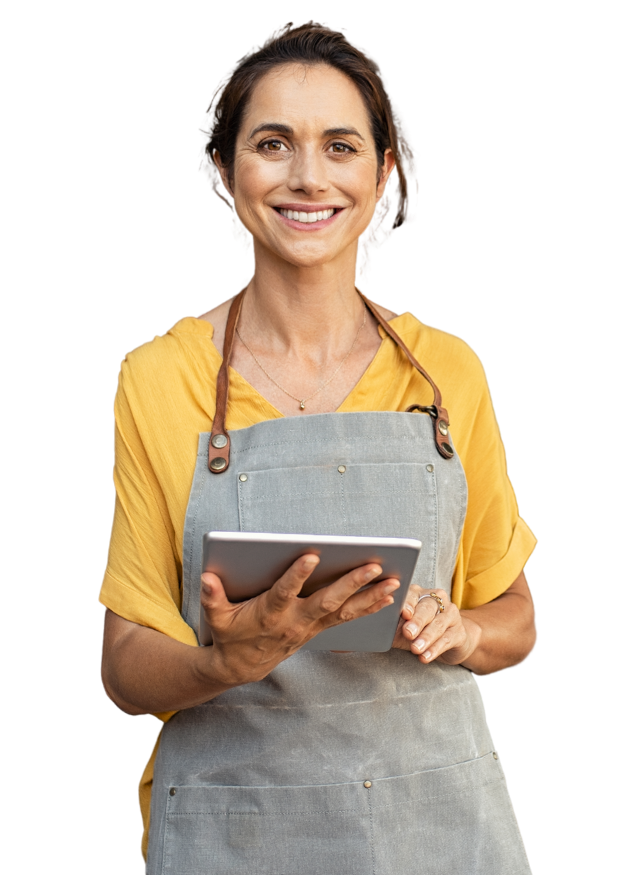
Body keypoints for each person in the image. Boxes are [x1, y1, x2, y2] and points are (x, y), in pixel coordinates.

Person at [99, 21, 538, 874]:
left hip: (437, 826)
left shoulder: (450, 372)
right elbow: (123, 669)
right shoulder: (159, 376)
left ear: (380, 179)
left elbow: (515, 619)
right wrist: (229, 657)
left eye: (340, 147)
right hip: (237, 828)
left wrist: (464, 633)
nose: (308, 176)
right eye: (273, 144)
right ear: (226, 174)